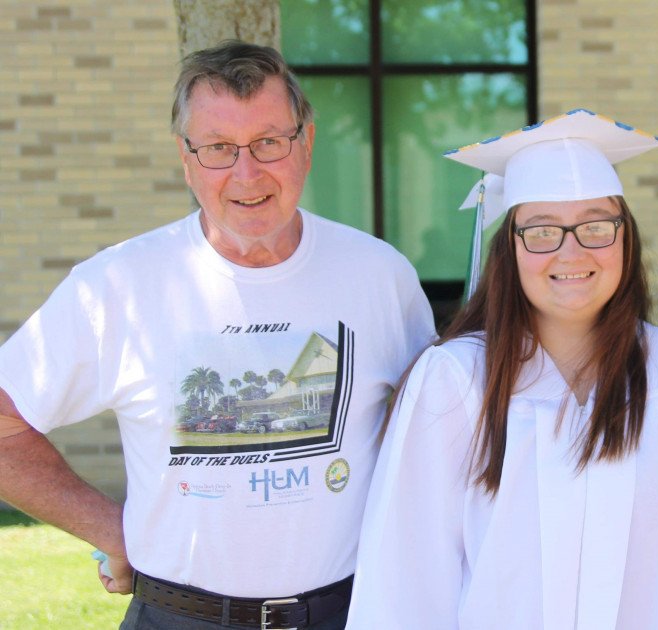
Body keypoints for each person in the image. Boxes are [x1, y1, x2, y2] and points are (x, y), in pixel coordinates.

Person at [0, 41, 435, 629]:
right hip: (178, 617)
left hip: (348, 612)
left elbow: (428, 441)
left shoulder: (380, 277)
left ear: (305, 144)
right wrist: (117, 532)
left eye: (268, 142)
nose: (247, 172)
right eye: (218, 149)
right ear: (186, 159)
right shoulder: (118, 285)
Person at [346, 109, 658, 629]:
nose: (571, 251)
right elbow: (405, 585)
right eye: (541, 231)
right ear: (511, 248)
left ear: (625, 238)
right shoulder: (454, 381)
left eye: (595, 226)